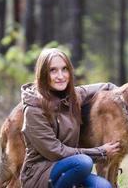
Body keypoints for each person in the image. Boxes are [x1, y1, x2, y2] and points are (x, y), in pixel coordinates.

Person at [20, 48, 120, 188]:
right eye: (53, 70)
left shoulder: (73, 97)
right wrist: (101, 152)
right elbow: (55, 151)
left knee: (103, 186)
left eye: (64, 69)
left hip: (69, 167)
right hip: (40, 174)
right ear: (43, 74)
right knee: (84, 163)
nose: (60, 76)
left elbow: (105, 86)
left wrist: (121, 94)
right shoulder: (34, 109)